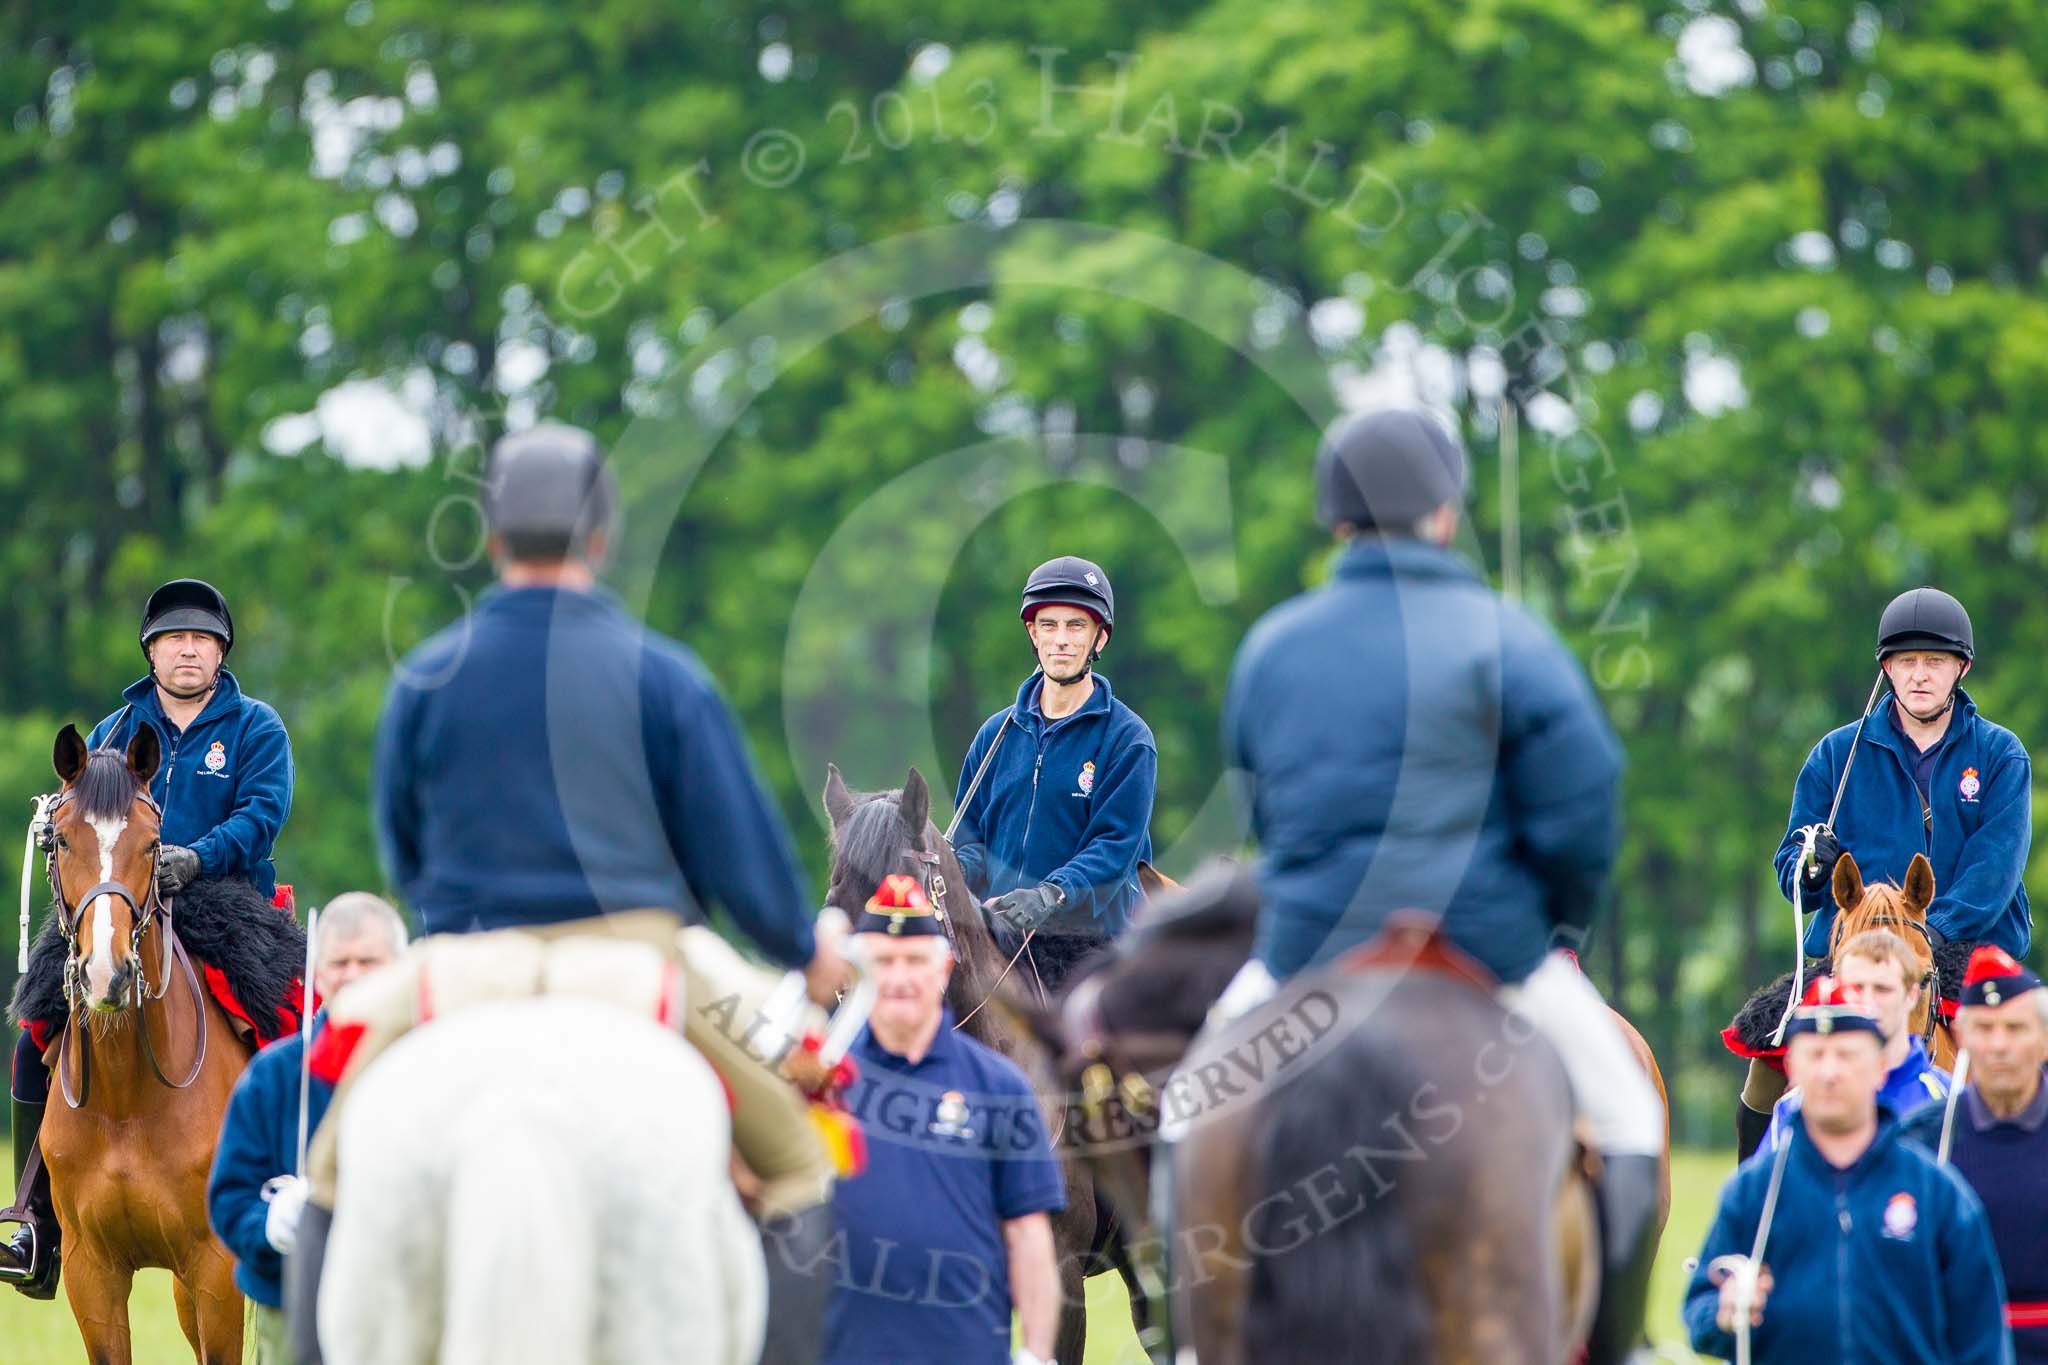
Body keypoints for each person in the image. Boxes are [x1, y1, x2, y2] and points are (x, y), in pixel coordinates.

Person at [361, 422, 852, 1364]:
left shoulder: (424, 676)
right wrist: (805, 948)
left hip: (465, 960)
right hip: (641, 954)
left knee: (331, 1163)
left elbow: (405, 854)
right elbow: (741, 861)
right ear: (600, 534)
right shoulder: (665, 675)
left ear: (495, 537)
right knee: (798, 1158)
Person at [1221, 407, 1664, 1365]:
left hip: (1308, 951)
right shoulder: (1507, 633)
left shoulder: (1271, 648)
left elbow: (1265, 810)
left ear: (1336, 522)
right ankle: (1615, 1347)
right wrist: (1553, 914)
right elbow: (1586, 803)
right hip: (1484, 944)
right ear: (1446, 515)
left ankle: (1193, 1340)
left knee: (1185, 1108)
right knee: (1627, 1113)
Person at [1, 577, 294, 1297]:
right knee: (34, 1025)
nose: (188, 648)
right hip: (121, 905)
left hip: (227, 902)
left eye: (202, 638)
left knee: (290, 1017)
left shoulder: (257, 727)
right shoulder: (109, 732)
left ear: (220, 651)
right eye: (173, 638)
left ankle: (295, 1194)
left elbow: (264, 813)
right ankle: (31, 1217)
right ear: (152, 652)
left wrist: (197, 857)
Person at [1745, 587, 2033, 1157]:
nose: (1919, 675)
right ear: (1887, 668)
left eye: (1934, 662)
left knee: (2030, 1052)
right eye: (1906, 662)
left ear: (1961, 668)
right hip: (1853, 948)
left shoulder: (2001, 755)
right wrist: (1811, 870)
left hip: (1965, 945)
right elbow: (1791, 864)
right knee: (1763, 1059)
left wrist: (1929, 931)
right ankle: (1753, 1203)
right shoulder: (1835, 754)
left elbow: (1994, 870)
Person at [1685, 978, 2010, 1364]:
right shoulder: (1754, 1190)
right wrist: (1723, 1310)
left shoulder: (1937, 1191)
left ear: (1879, 1067)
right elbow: (1700, 1311)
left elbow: (1983, 1340)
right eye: (1816, 1055)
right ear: (1791, 1067)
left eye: (1846, 1054)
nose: (1830, 1072)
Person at [821, 875, 1064, 1365]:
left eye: (915, 960)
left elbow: (1029, 1237)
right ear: (858, 971)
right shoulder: (824, 1083)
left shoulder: (1001, 1087)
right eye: (883, 962)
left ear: (945, 967)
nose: (900, 978)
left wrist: (1037, 1354)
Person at [207, 894, 405, 1362]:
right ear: (317, 973)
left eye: (368, 961)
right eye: (340, 962)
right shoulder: (272, 1075)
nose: (353, 974)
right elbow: (230, 1199)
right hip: (290, 1303)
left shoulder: (429, 1066)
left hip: (402, 1304)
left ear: (399, 966)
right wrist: (270, 1225)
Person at [951, 555, 1157, 989]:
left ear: (1099, 638)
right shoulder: (994, 737)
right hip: (999, 943)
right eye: (1049, 625)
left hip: (1091, 951)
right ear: (1033, 633)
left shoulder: (1127, 739)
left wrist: (1050, 894)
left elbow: (1114, 848)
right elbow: (970, 842)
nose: (1061, 640)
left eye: (1076, 626)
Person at [1902, 946, 2048, 1363]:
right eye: (1984, 1029)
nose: (1999, 1045)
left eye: (2015, 1028)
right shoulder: (1920, 1139)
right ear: (1962, 1038)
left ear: (2045, 1041)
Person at [1763, 930, 1949, 1150]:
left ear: (1912, 996)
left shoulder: (1950, 1099)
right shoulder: (1794, 1105)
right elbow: (1767, 1184)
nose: (1868, 1001)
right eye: (1856, 988)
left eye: (1882, 989)